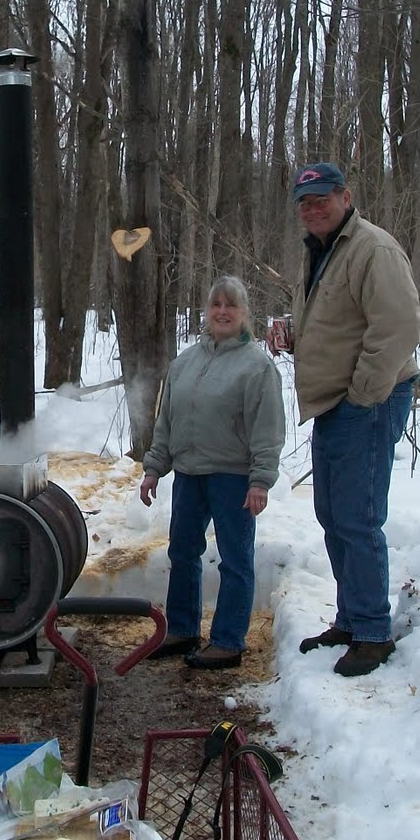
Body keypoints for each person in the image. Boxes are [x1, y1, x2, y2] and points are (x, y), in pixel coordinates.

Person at [267, 163, 420, 677]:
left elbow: (399, 326)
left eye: (322, 200)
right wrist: (294, 331)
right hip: (334, 403)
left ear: (345, 197)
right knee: (334, 515)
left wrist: (362, 397)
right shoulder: (324, 251)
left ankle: (374, 632)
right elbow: (340, 319)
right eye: (305, 203)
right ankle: (352, 620)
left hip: (366, 403)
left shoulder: (372, 249)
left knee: (358, 517)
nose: (313, 210)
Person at [137, 276, 286, 671]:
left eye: (230, 305)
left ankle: (228, 641)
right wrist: (154, 469)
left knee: (235, 560)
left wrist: (260, 481)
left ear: (244, 314)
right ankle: (182, 629)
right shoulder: (186, 362)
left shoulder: (257, 368)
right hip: (188, 474)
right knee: (183, 552)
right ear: (206, 310)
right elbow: (166, 420)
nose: (222, 311)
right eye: (216, 304)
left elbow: (267, 430)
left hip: (232, 478)